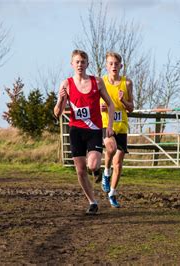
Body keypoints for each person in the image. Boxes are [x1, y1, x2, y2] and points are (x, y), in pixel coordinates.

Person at [54, 49, 115, 215]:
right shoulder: (66, 84)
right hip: (76, 131)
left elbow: (110, 104)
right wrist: (60, 99)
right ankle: (92, 202)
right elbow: (57, 113)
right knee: (80, 170)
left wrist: (109, 126)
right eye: (77, 62)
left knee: (92, 165)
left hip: (94, 129)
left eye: (83, 61)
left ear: (87, 64)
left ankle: (97, 170)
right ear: (72, 64)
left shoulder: (97, 82)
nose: (80, 64)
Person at [99, 52, 134, 208]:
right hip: (106, 123)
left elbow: (131, 108)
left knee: (118, 164)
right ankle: (106, 173)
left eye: (116, 64)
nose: (113, 66)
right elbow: (92, 102)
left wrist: (123, 101)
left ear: (121, 66)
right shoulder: (101, 82)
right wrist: (99, 107)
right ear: (106, 65)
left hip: (121, 126)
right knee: (110, 148)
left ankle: (112, 193)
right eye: (110, 63)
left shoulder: (127, 83)